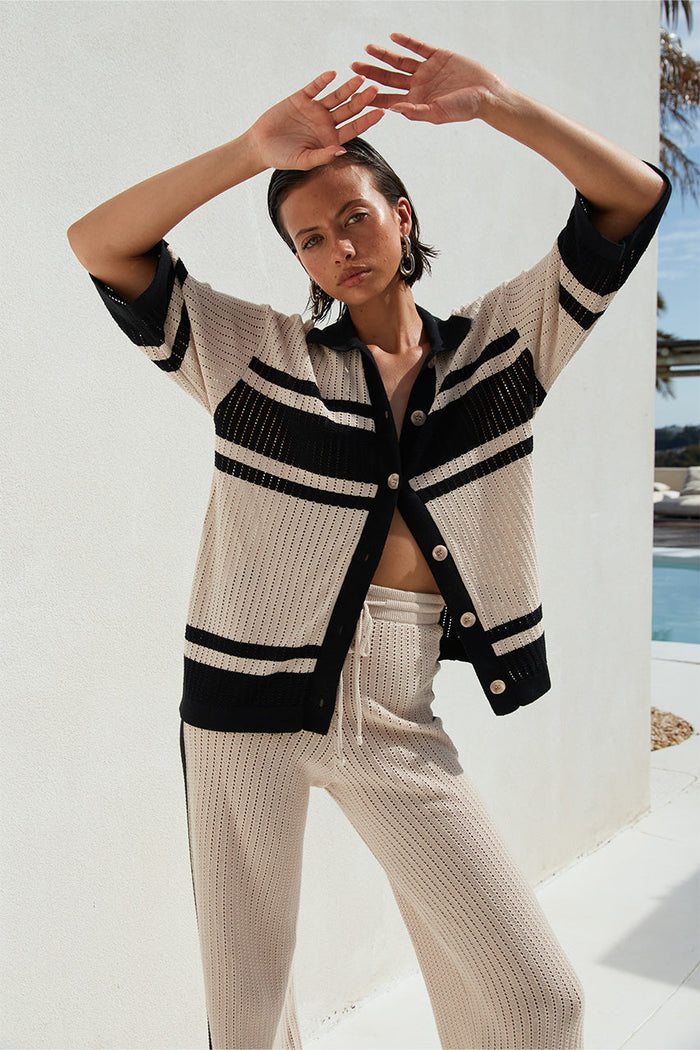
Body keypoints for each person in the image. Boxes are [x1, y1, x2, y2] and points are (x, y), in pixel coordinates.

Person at [67, 32, 669, 1050]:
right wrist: (248, 152)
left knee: (538, 1000)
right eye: (309, 238)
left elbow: (631, 203)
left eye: (353, 217)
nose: (337, 248)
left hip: (396, 710)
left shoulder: (500, 349)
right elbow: (101, 245)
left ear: (402, 216)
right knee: (249, 1021)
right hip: (241, 710)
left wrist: (500, 105)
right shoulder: (254, 357)